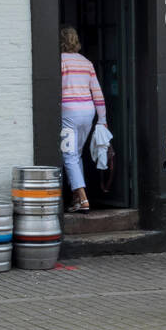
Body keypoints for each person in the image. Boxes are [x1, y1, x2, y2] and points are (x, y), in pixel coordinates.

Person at [59, 26, 107, 213]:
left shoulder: (60, 62)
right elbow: (97, 93)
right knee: (76, 154)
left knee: (68, 154)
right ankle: (76, 199)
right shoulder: (86, 63)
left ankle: (83, 198)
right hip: (88, 112)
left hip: (68, 113)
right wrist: (102, 119)